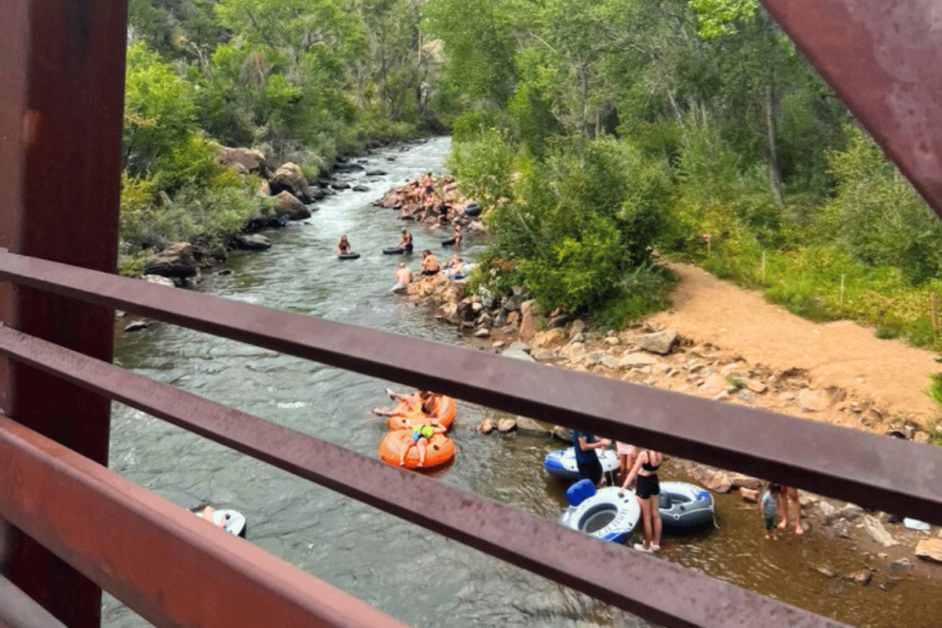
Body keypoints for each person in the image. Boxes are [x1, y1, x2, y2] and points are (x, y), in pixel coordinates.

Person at [619, 449, 663, 552]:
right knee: (656, 515)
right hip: (654, 481)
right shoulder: (660, 453)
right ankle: (656, 543)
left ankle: (647, 546)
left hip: (644, 484)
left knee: (646, 519)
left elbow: (634, 471)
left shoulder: (644, 454)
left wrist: (624, 486)